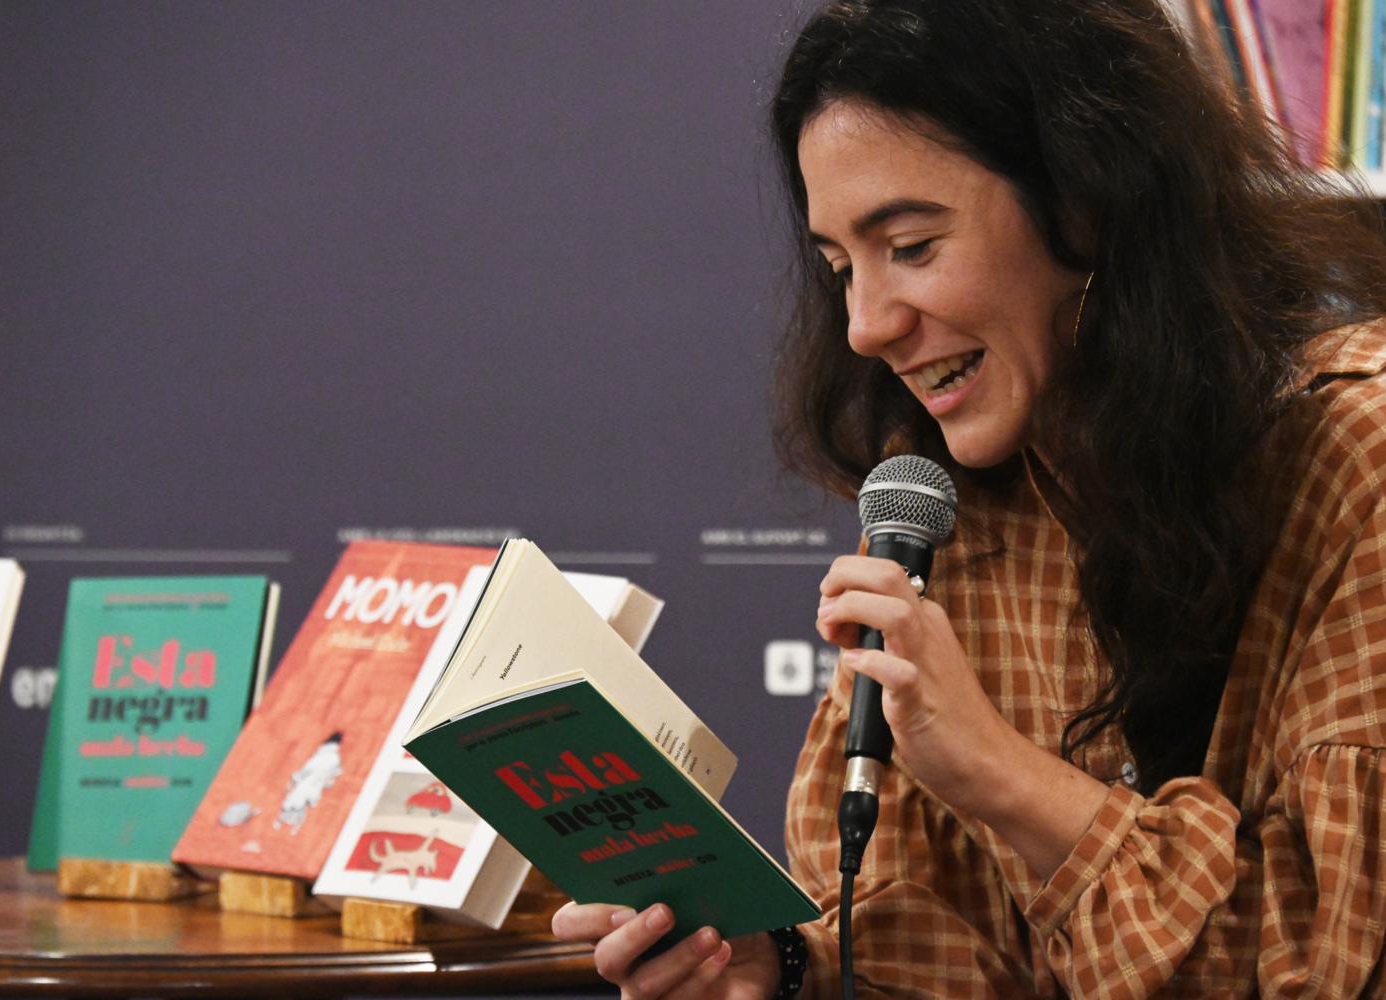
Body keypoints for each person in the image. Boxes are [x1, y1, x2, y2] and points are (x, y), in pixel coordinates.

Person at [553, 0, 1386, 996]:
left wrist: (995, 769)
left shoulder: (1360, 461)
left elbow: (1329, 960)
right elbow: (950, 947)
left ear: (1086, 203)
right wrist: (782, 966)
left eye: (910, 246)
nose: (864, 326)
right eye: (839, 269)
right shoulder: (940, 502)